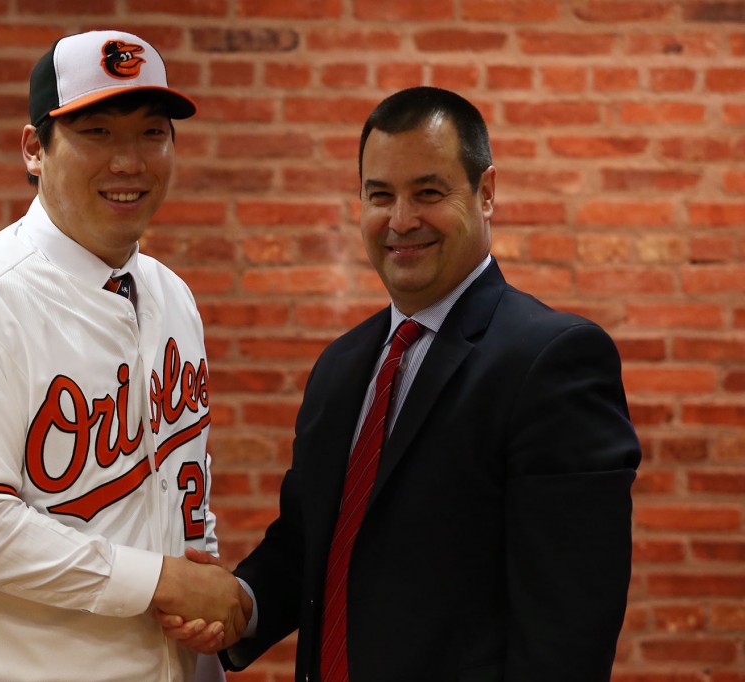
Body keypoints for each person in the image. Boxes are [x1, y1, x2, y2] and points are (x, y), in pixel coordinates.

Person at [162, 86, 641, 681]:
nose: (402, 220)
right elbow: (311, 544)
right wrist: (242, 604)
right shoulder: (342, 366)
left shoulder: (553, 359)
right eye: (380, 195)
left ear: (485, 192)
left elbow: (570, 624)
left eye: (429, 193)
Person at [0, 29, 250, 682]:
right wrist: (162, 582)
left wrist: (198, 605)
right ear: (35, 148)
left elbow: (177, 491)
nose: (130, 163)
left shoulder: (172, 297)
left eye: (151, 133)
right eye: (97, 133)